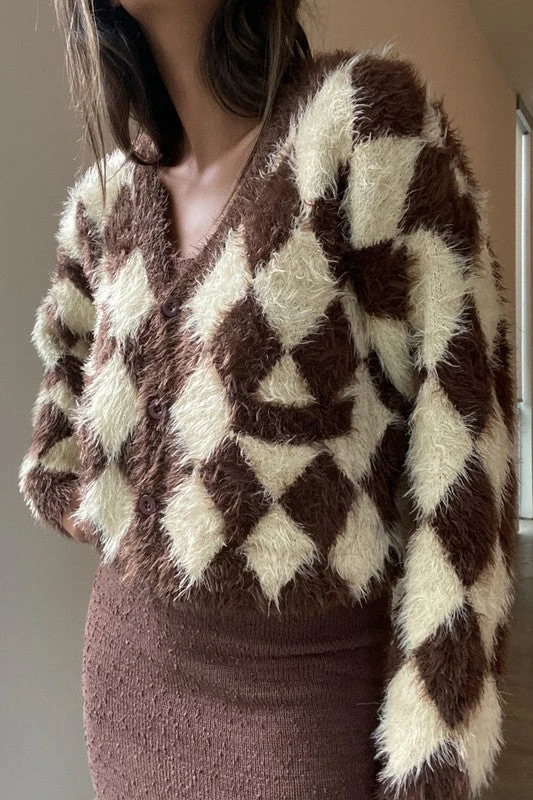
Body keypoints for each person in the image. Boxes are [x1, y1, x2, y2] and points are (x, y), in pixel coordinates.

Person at [18, 1, 519, 799]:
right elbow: (61, 388)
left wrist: (435, 749)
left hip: (302, 704)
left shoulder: (363, 129)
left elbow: (464, 452)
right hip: (127, 678)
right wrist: (83, 491)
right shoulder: (104, 202)